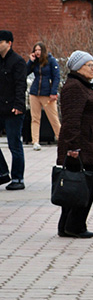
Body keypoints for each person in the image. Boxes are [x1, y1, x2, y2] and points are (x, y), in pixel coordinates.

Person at [56, 50, 93, 238]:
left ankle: (66, 226)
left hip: (83, 144)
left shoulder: (82, 85)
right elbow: (71, 120)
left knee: (74, 184)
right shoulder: (75, 87)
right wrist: (72, 147)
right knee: (87, 183)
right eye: (90, 65)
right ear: (78, 67)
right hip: (79, 147)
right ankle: (75, 226)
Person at [0, 29, 27, 190]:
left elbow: (20, 85)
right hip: (0, 108)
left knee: (14, 144)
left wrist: (18, 105)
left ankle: (18, 178)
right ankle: (2, 173)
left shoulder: (18, 62)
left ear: (9, 43)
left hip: (13, 110)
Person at [26, 41, 62, 150]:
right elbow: (25, 72)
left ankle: (61, 138)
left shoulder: (51, 61)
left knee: (53, 117)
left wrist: (53, 92)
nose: (37, 52)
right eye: (35, 50)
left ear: (43, 50)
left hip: (47, 93)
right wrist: (30, 62)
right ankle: (35, 141)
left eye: (39, 50)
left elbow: (56, 77)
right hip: (35, 93)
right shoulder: (34, 62)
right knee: (35, 118)